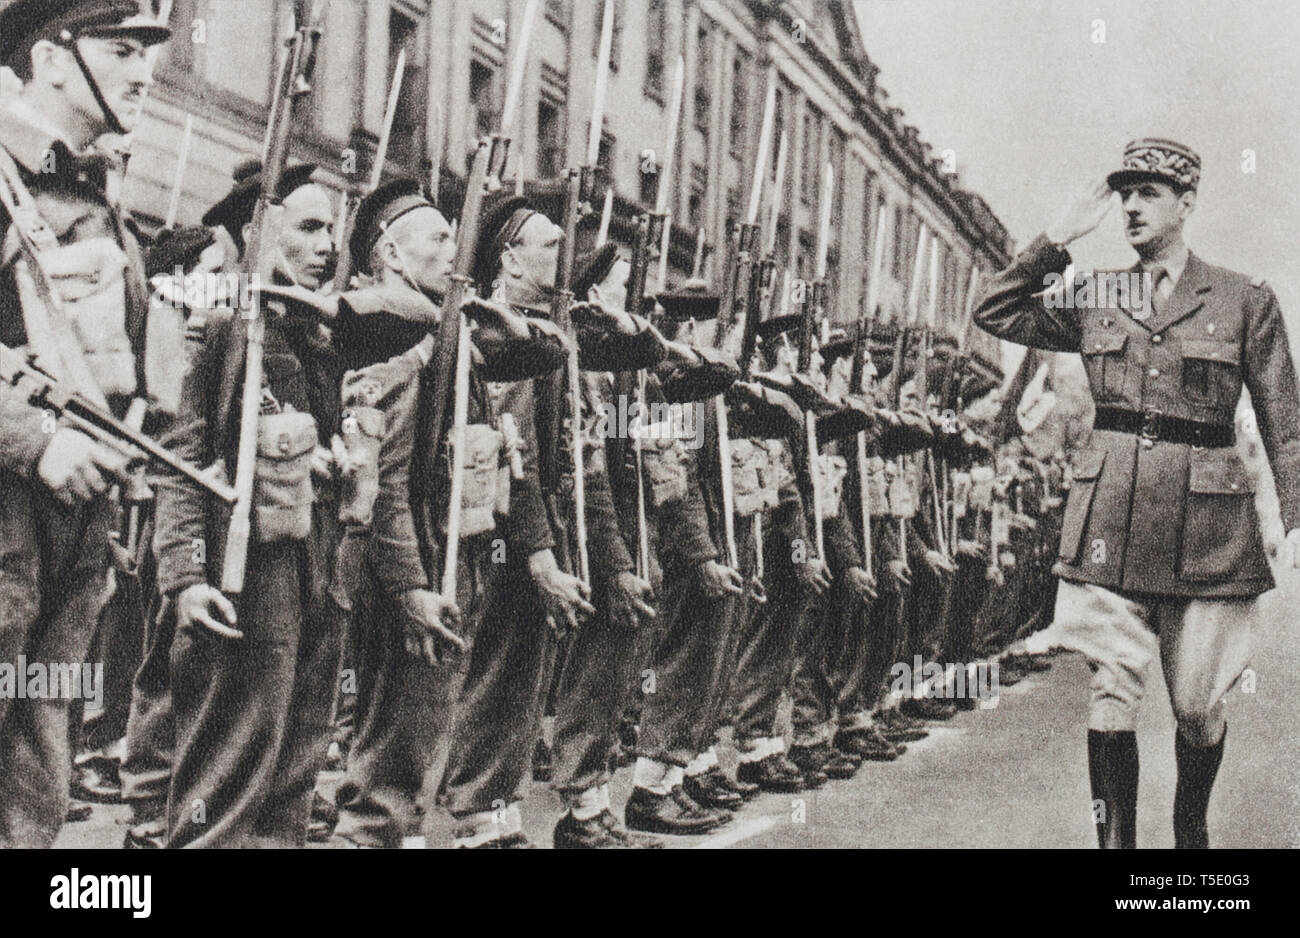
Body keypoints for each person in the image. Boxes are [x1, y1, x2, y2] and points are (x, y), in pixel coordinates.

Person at [974, 138, 1300, 848]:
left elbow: (1285, 418)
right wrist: (1055, 239)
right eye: (1124, 194)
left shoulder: (1245, 299)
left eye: (1149, 193)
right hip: (1110, 513)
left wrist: (1299, 516)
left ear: (1187, 203)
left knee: (1195, 704)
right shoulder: (1095, 293)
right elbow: (995, 312)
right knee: (1112, 690)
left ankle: (1190, 823)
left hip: (1209, 524)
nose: (1130, 206)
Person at [0, 0, 170, 848]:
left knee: (39, 763)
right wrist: (35, 440)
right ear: (52, 56)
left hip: (71, 522)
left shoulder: (83, 186)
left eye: (149, 49)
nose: (144, 67)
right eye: (120, 47)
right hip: (10, 505)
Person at [154, 160, 348, 847]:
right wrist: (184, 578)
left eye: (333, 228)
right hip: (244, 577)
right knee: (226, 782)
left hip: (315, 570)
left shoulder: (316, 330)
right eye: (310, 226)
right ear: (257, 229)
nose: (328, 244)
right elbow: (178, 456)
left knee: (292, 775)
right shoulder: (216, 321)